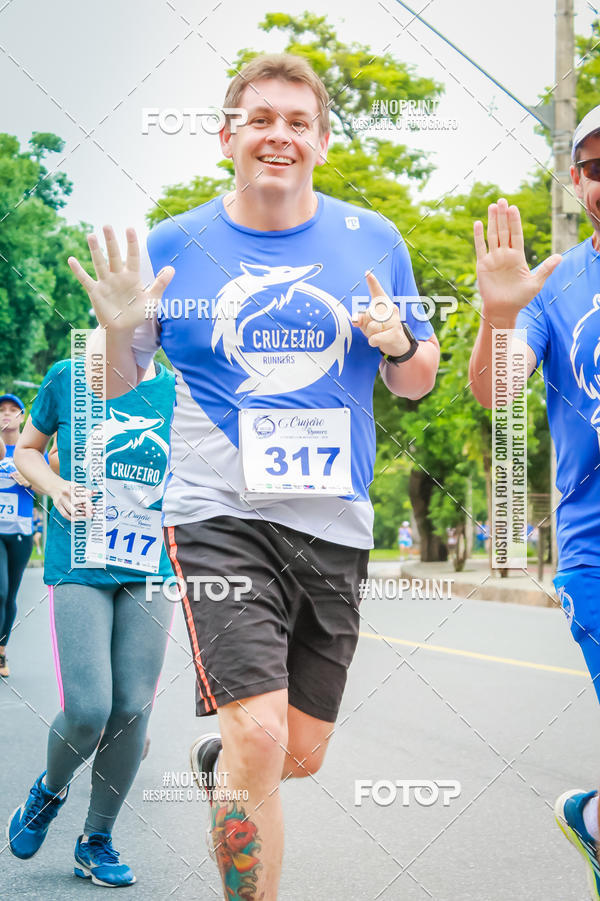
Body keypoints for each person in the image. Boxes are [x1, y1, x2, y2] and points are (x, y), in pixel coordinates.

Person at [68, 53, 440, 899]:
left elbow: (418, 377)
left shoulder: (372, 237)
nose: (280, 135)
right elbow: (119, 384)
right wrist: (118, 330)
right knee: (262, 735)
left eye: (297, 122)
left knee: (294, 751)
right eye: (261, 119)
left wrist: (398, 342)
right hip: (216, 516)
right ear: (227, 135)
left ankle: (224, 764)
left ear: (321, 140)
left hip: (334, 523)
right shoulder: (174, 242)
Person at [469, 104, 600, 899]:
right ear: (579, 182)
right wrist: (500, 316)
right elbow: (498, 388)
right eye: (595, 165)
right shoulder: (556, 287)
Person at [6, 357, 175, 887]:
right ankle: (48, 791)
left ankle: (95, 841)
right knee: (89, 709)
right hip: (79, 557)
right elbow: (25, 452)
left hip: (152, 565)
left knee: (131, 710)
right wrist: (54, 486)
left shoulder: (180, 389)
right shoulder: (68, 376)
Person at [0, 393, 36, 678]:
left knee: (10, 594)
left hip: (21, 531)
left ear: (22, 417)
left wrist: (32, 479)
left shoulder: (31, 451)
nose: (7, 414)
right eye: (1, 410)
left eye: (13, 410)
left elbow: (49, 481)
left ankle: (2, 650)